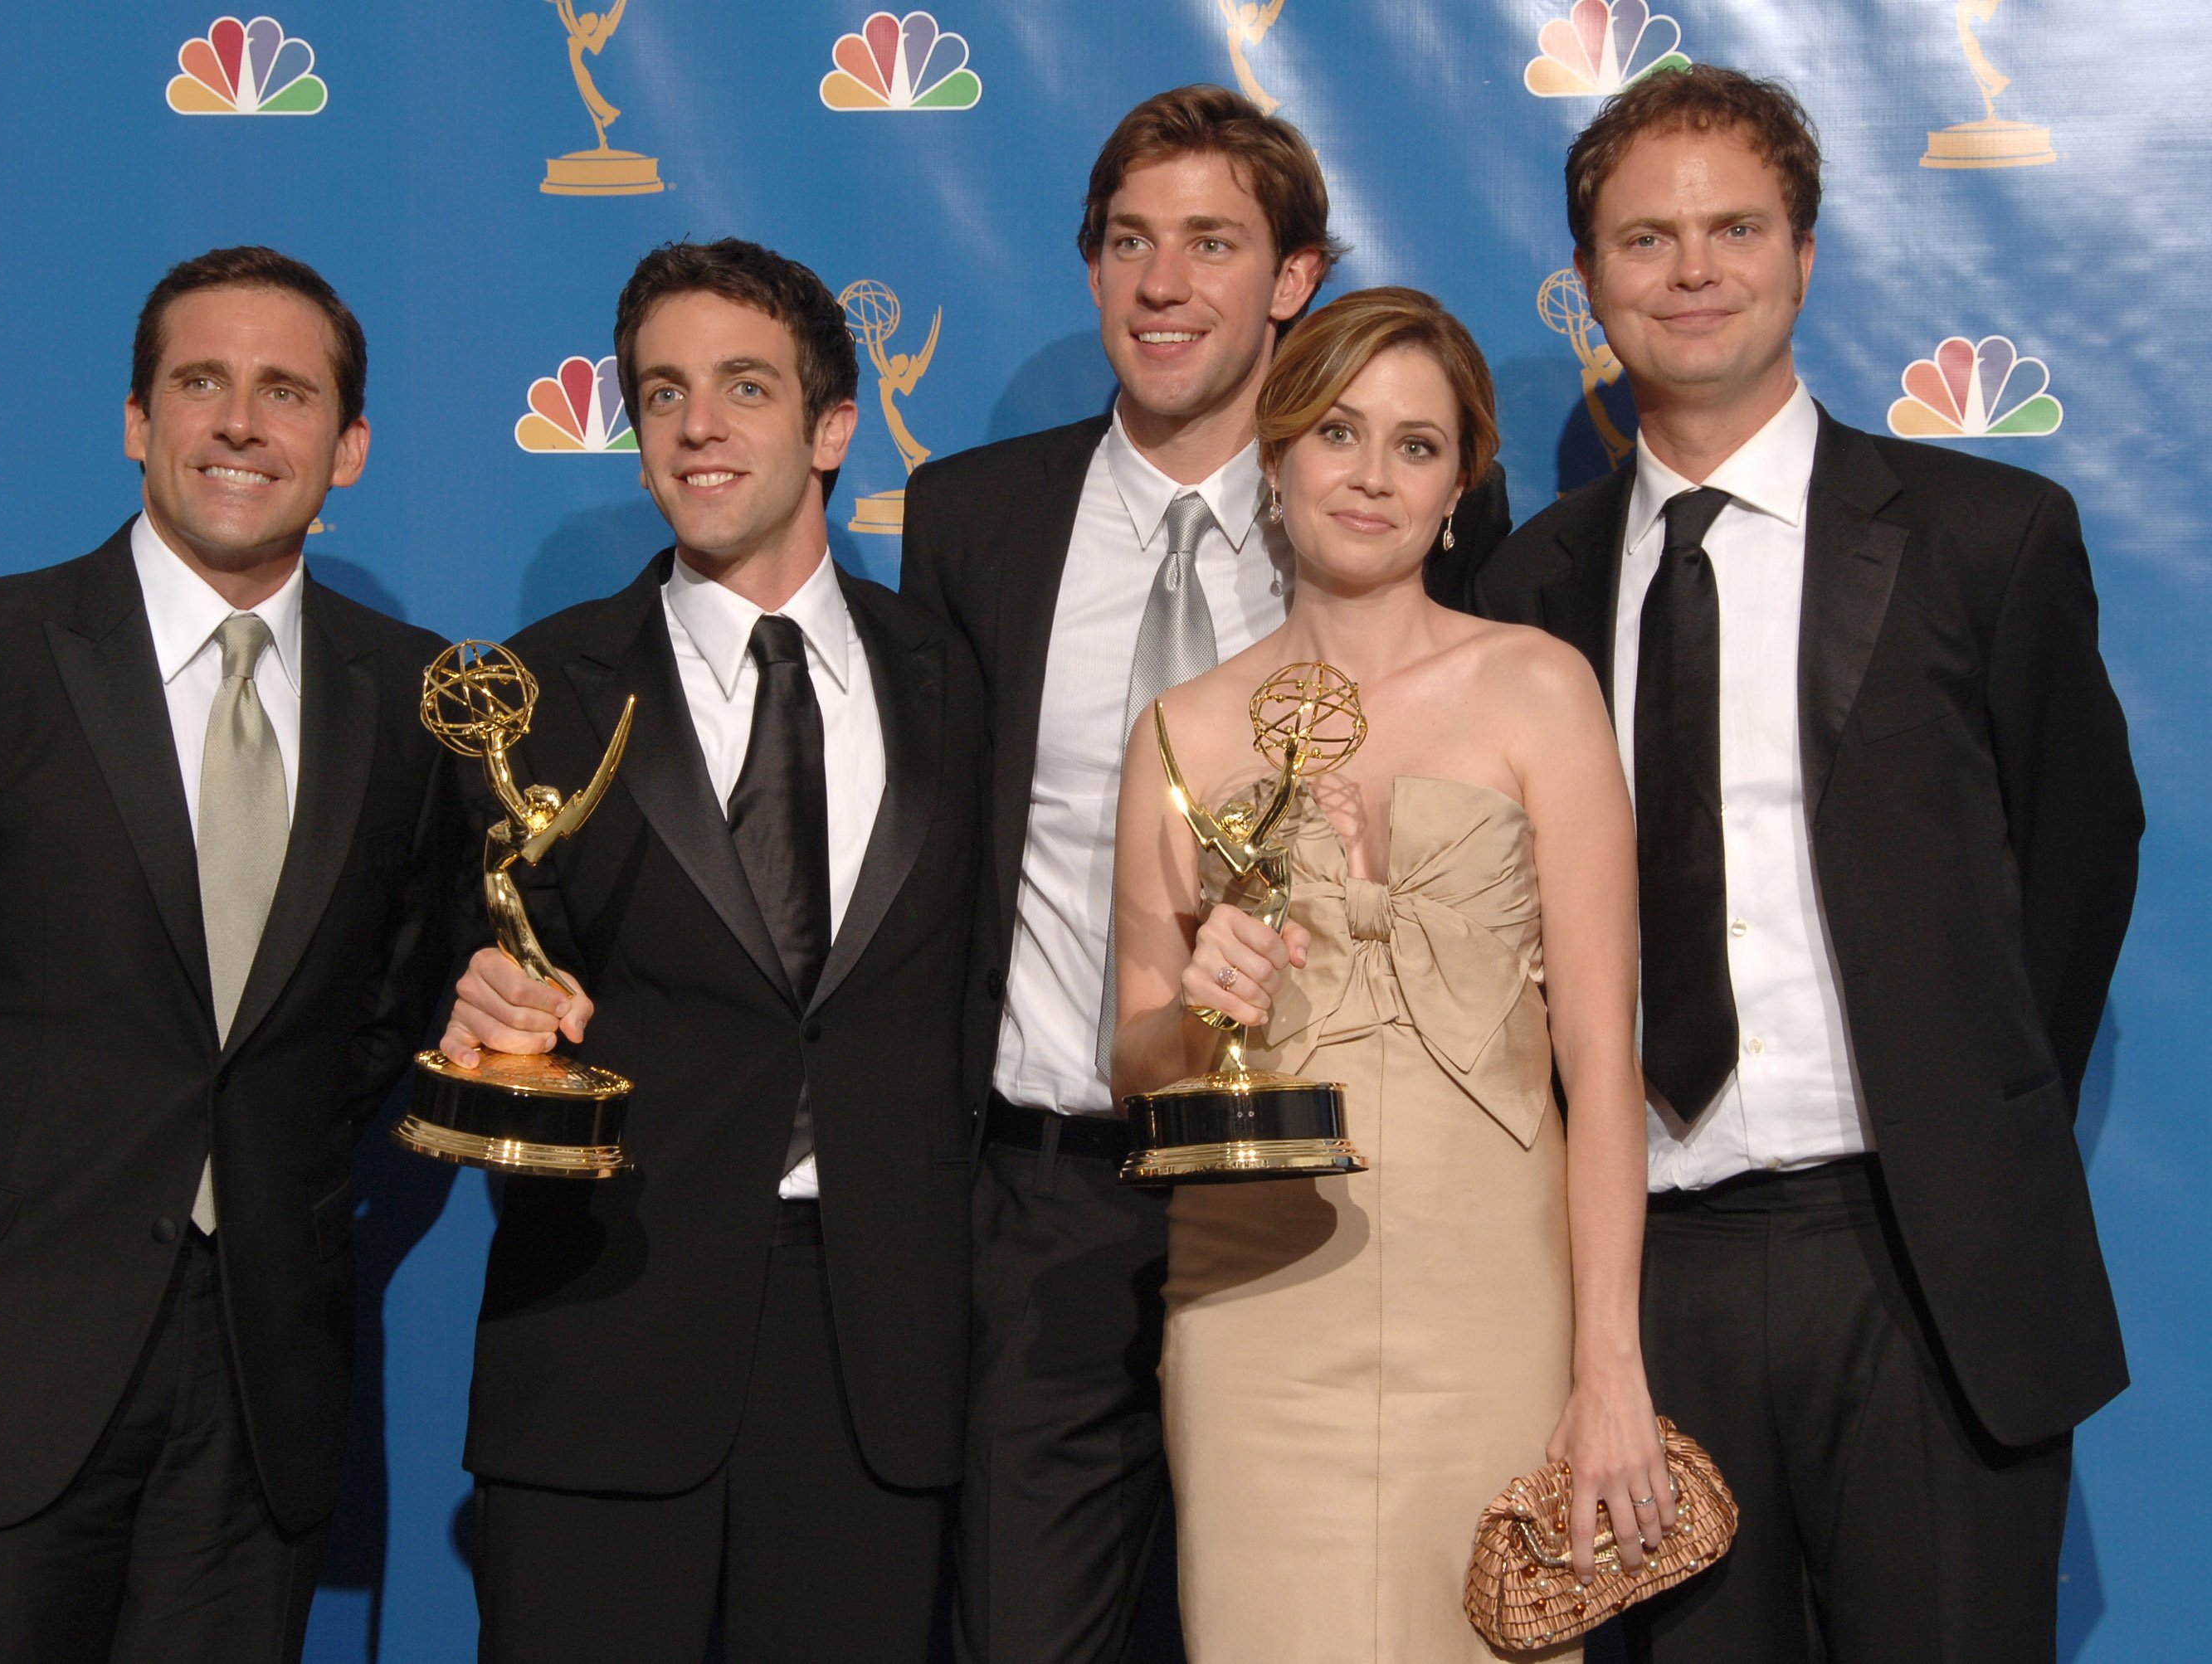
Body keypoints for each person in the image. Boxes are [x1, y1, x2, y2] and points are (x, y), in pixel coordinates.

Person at [1454, 66, 2141, 1662]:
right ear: (1591, 280)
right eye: (1646, 237)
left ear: (1806, 251)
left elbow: (2074, 865)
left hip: (1922, 1264)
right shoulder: (1527, 586)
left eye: (1734, 226)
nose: (1693, 268)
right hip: (1649, 1275)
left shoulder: (1989, 535)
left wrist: (1951, 1099)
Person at [0, 246, 458, 1662]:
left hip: (260, 1389)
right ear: (138, 421)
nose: (240, 422)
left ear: (351, 445)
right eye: (200, 382)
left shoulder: (409, 696)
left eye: (287, 391)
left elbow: (386, 1009)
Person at [904, 84, 1511, 1664]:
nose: (1163, 284)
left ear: (1293, 277)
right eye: (1128, 242)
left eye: (1212, 244)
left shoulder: (1371, 520)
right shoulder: (974, 521)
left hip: (1317, 1187)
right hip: (1050, 1187)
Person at [441, 238, 985, 1662]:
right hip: (605, 1328)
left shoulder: (957, 678)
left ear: (830, 427)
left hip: (881, 1355)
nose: (698, 425)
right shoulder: (532, 692)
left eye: (745, 386)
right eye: (662, 391)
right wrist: (475, 1008)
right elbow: (444, 980)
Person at [1112, 286, 1663, 1660]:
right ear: (1276, 457)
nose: (1371, 475)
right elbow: (1131, 1059)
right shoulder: (1179, 728)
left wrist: (1610, 1365)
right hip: (1255, 1302)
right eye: (1339, 433)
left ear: (1463, 482)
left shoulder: (1543, 689)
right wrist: (1199, 1008)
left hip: (1497, 1297)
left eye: (1418, 446)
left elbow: (1602, 1062)